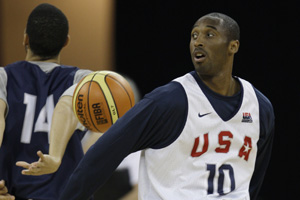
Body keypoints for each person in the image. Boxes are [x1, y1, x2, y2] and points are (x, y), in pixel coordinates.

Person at [35, 12, 276, 200]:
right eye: (194, 35)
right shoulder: (169, 101)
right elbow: (100, 157)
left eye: (209, 34)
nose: (198, 41)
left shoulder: (259, 107)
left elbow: (254, 179)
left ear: (233, 46)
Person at [0, 3, 93, 200]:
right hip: (67, 194)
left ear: (25, 38)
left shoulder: (3, 77)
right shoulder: (84, 80)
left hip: (12, 192)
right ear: (66, 42)